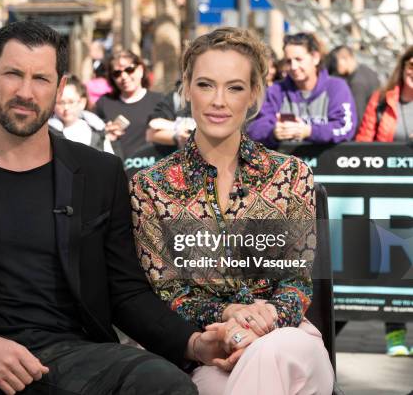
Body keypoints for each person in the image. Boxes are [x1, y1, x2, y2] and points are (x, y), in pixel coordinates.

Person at [0, 20, 229, 395]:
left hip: (79, 355)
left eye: (40, 78)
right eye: (13, 74)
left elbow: (126, 292)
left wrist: (193, 343)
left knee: (165, 384)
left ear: (60, 86)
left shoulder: (99, 172)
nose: (25, 92)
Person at [131, 27, 334, 395]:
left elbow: (297, 280)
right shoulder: (151, 186)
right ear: (186, 88)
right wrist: (226, 318)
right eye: (206, 85)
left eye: (235, 87)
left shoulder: (290, 176)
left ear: (255, 93)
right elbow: (167, 293)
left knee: (279, 353)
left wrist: (266, 318)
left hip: (288, 337)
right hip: (207, 351)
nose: (219, 101)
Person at [354, 46, 413, 356]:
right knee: (395, 265)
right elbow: (363, 145)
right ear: (402, 67)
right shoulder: (380, 101)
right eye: (411, 64)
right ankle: (396, 338)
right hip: (390, 197)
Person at [247, 32, 356, 148]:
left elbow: (345, 128)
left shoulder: (337, 87)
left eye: (299, 59)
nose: (293, 67)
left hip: (328, 163)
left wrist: (309, 131)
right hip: (287, 164)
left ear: (315, 58)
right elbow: (255, 130)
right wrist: (273, 132)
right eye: (288, 61)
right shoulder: (276, 90)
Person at [94, 50, 166, 160]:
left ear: (141, 70)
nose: (124, 76)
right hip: (117, 170)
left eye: (129, 69)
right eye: (117, 73)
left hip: (152, 170)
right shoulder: (104, 103)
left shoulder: (160, 101)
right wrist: (104, 133)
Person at [356, 45, 413, 143]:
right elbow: (364, 139)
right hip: (386, 156)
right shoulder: (381, 99)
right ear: (403, 66)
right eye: (412, 66)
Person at [48, 74, 113, 152]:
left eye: (71, 102)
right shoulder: (47, 132)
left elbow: (109, 155)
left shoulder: (96, 127)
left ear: (82, 102)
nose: (66, 108)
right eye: (60, 102)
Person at [328, 45, 380, 126]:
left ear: (345, 58)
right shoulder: (366, 70)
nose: (334, 67)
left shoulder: (357, 83)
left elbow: (357, 117)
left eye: (335, 62)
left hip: (365, 131)